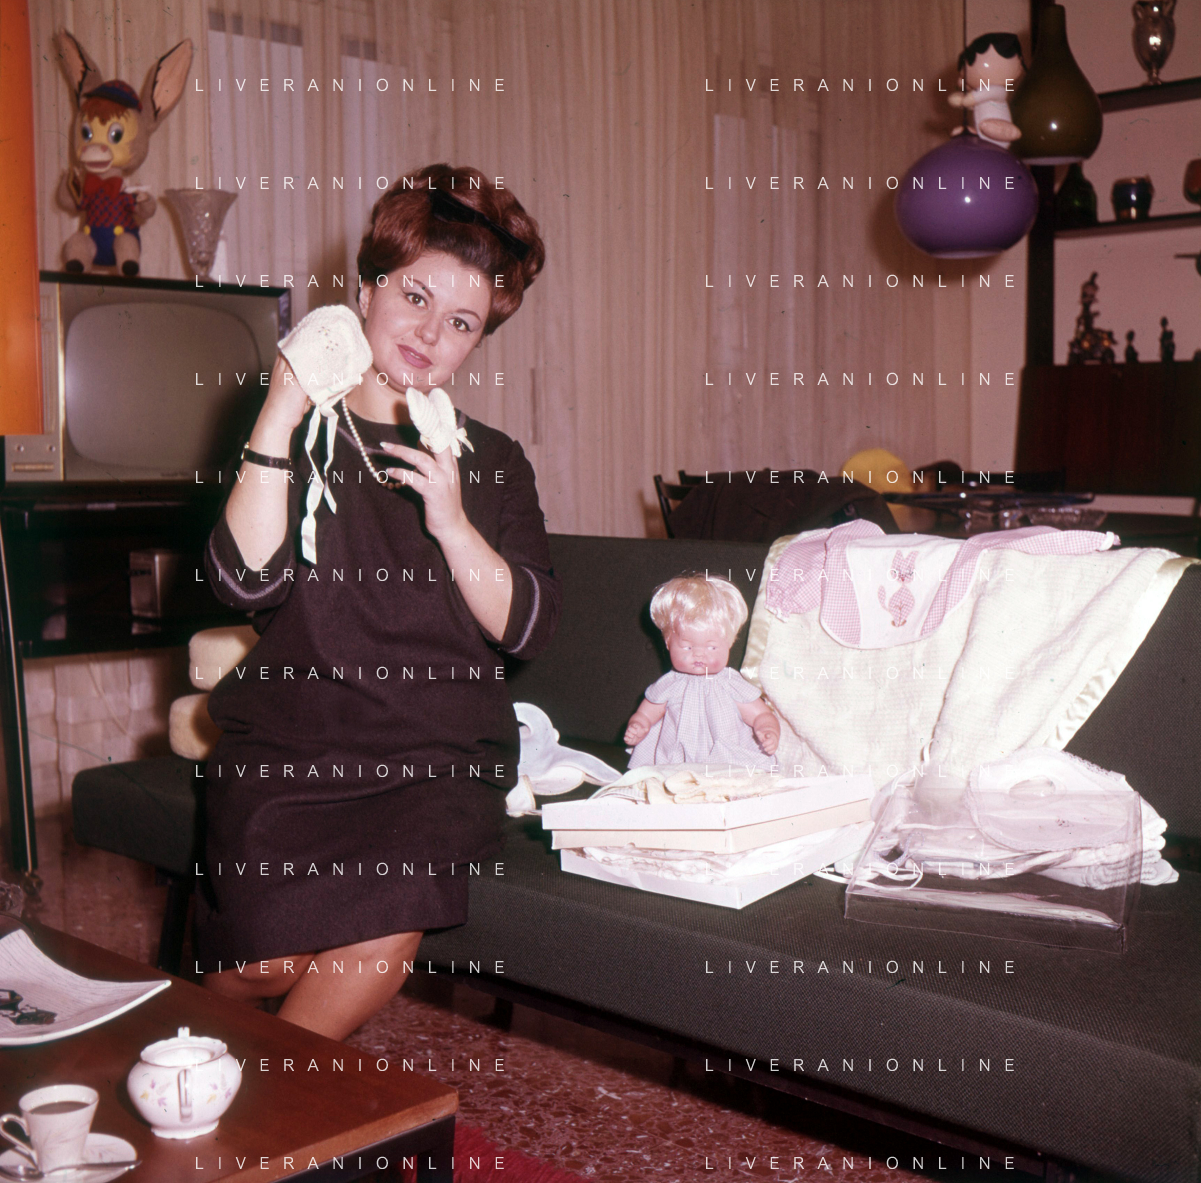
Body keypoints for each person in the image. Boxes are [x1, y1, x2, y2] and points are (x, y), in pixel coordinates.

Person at [195, 164, 560, 1040]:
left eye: (461, 321)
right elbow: (244, 583)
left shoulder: (492, 460)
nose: (430, 333)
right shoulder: (295, 427)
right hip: (292, 744)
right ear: (366, 290)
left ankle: (267, 1113)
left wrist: (452, 522)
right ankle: (188, 1064)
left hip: (434, 757)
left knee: (379, 919)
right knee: (261, 966)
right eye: (414, 297)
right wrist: (279, 414)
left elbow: (527, 626)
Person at [624, 575, 779, 769]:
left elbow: (759, 714)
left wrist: (767, 729)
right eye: (687, 647)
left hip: (724, 760)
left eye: (711, 647)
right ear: (668, 643)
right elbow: (647, 714)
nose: (698, 654)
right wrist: (638, 725)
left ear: (729, 644)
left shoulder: (730, 684)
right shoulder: (670, 684)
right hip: (676, 760)